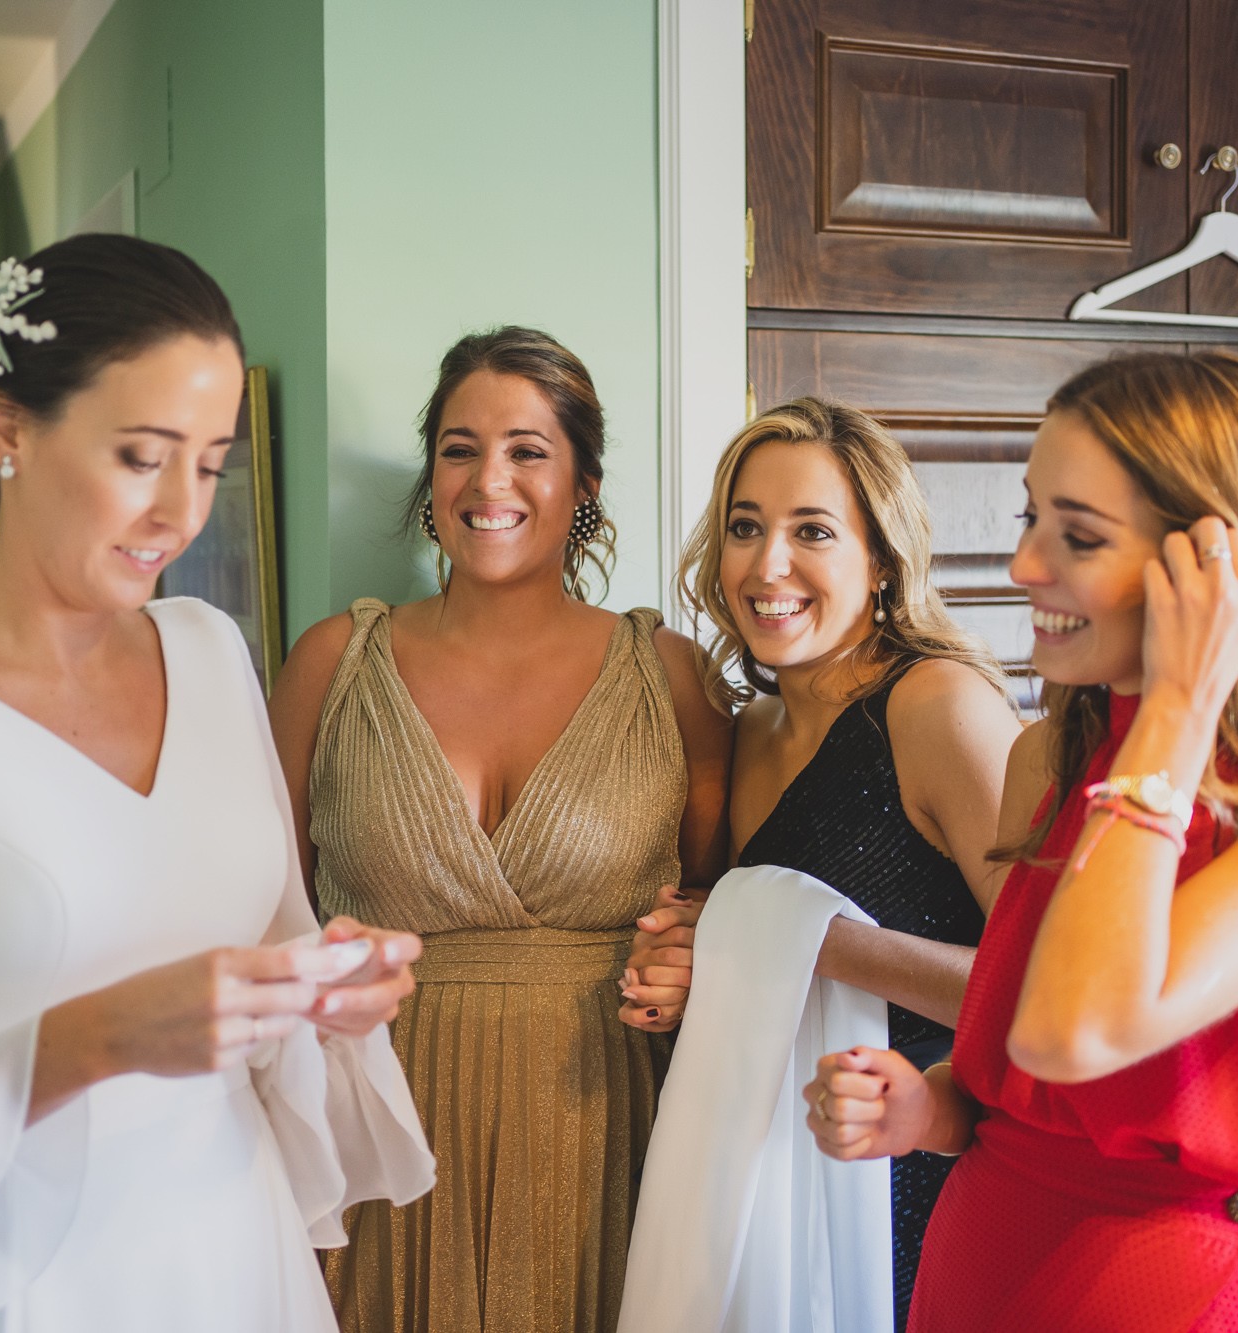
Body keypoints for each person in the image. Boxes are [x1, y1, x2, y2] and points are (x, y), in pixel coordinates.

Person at [0, 235, 434, 1333]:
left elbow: (264, 943)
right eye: (141, 456)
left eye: (208, 463)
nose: (180, 516)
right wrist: (99, 1036)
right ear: (8, 426)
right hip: (9, 1289)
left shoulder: (208, 653)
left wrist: (324, 991)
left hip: (233, 1265)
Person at [802, 351, 1238, 1331]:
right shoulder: (1044, 761)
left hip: (1161, 1291)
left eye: (1076, 535)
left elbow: (1078, 1028)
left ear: (1213, 570)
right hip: (976, 1263)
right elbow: (1021, 1069)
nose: (1024, 564)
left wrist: (1178, 703)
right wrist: (927, 1106)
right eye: (1031, 517)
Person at [269, 326, 731, 1333]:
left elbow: (721, 901)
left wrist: (693, 946)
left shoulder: (668, 676)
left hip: (605, 1129)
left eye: (527, 449)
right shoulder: (332, 663)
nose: (489, 479)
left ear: (584, 482)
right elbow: (258, 908)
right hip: (375, 1133)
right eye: (458, 446)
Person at [628, 398, 1021, 1328]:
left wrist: (810, 941)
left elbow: (1050, 998)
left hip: (927, 1187)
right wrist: (688, 964)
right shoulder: (749, 730)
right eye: (745, 528)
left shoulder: (939, 708)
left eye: (812, 531)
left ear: (880, 559)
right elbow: (750, 955)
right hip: (781, 1194)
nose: (768, 566)